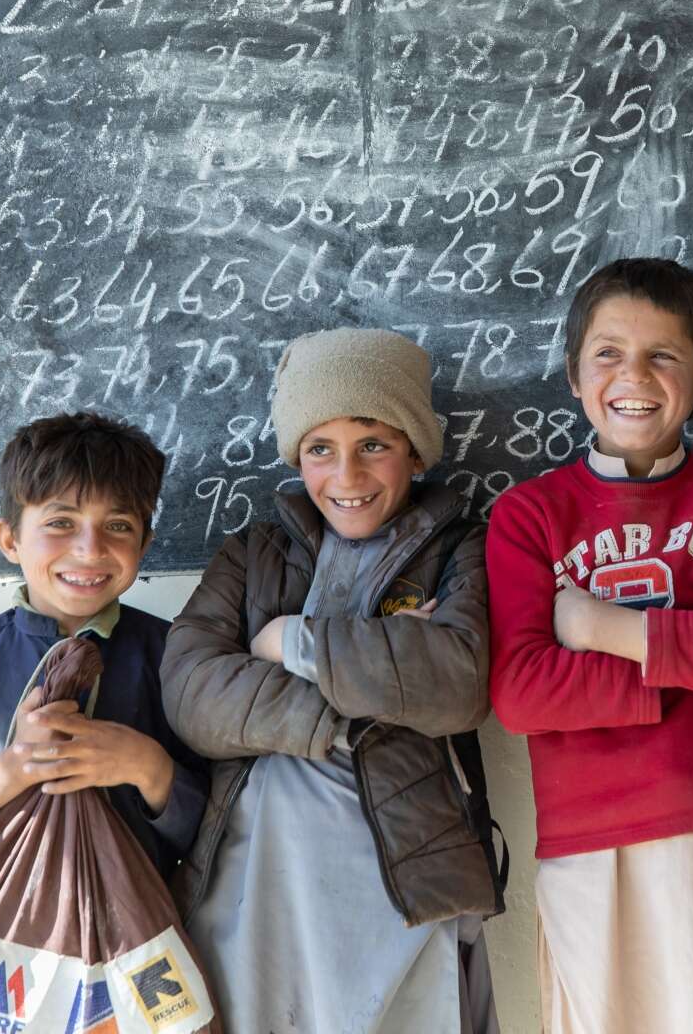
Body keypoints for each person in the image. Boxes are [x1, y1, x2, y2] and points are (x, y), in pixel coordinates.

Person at [487, 257, 693, 1034]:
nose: (634, 374)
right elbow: (522, 694)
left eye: (665, 354)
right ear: (573, 374)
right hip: (594, 843)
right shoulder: (529, 516)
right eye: (608, 353)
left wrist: (602, 631)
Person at [162, 327, 504, 1034]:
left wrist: (291, 640)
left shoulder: (462, 547)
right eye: (321, 448)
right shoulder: (253, 554)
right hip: (258, 877)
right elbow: (192, 693)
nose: (347, 476)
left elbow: (459, 682)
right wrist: (368, 689)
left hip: (401, 874)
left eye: (374, 444)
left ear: (414, 449)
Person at [0, 411, 206, 875]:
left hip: (139, 934)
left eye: (119, 526)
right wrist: (8, 774)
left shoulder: (181, 657)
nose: (90, 548)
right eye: (61, 522)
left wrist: (148, 767)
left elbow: (221, 828)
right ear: (9, 539)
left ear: (144, 545)